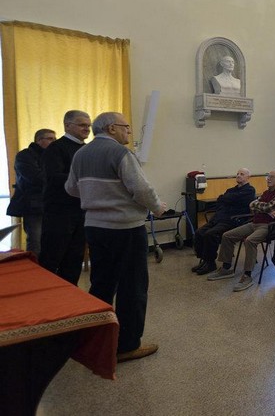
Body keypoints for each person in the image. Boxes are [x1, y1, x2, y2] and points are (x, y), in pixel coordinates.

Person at [65, 112, 167, 362]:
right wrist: (157, 207)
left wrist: (97, 198)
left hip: (95, 227)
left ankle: (97, 338)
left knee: (101, 283)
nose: (128, 132)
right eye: (126, 128)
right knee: (132, 286)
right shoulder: (120, 153)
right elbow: (142, 188)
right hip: (125, 228)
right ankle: (127, 346)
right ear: (111, 128)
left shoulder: (81, 153)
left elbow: (70, 188)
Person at [208, 170, 275, 291]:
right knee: (227, 235)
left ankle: (247, 275)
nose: (268, 179)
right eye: (267, 177)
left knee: (250, 241)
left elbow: (262, 205)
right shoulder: (266, 192)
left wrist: (263, 207)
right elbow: (252, 205)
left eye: (271, 177)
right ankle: (226, 269)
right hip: (254, 223)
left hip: (269, 226)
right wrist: (267, 209)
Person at [38, 110, 92, 285]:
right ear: (67, 126)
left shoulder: (87, 149)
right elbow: (55, 178)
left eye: (89, 125)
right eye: (82, 125)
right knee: (52, 257)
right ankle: (47, 299)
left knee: (74, 258)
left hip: (81, 211)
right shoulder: (56, 148)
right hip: (59, 213)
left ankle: (71, 297)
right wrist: (86, 179)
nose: (87, 128)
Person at [193, 168, 256, 274]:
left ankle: (210, 263)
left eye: (242, 174)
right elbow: (220, 200)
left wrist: (225, 198)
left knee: (210, 234)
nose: (238, 175)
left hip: (234, 220)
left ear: (248, 177)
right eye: (237, 174)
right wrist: (226, 198)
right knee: (199, 232)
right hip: (219, 217)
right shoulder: (231, 190)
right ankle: (204, 259)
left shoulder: (249, 190)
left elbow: (226, 198)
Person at [6, 128, 56, 256]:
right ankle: (36, 271)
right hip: (33, 204)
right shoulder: (25, 155)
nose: (54, 142)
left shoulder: (53, 155)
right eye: (50, 139)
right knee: (35, 240)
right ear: (39, 140)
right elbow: (35, 177)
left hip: (51, 203)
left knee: (51, 240)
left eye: (55, 139)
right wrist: (56, 178)